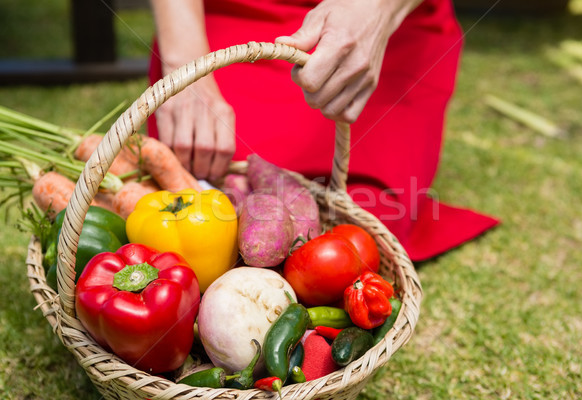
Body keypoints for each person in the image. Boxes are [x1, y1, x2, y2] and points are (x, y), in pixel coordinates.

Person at [147, 0, 499, 261]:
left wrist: (376, 11)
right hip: (225, 17)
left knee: (360, 236)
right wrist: (184, 63)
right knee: (198, 179)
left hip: (388, 22)